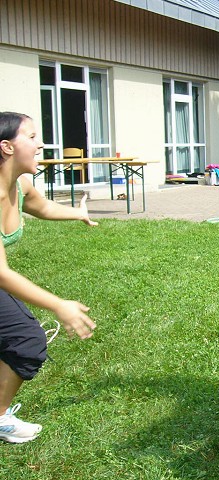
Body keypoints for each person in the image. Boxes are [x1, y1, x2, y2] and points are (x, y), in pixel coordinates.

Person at [0, 111, 97, 443]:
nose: (40, 144)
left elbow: (41, 207)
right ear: (7, 147)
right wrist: (58, 305)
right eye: (31, 137)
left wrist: (78, 213)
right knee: (25, 339)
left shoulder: (19, 184)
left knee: (20, 338)